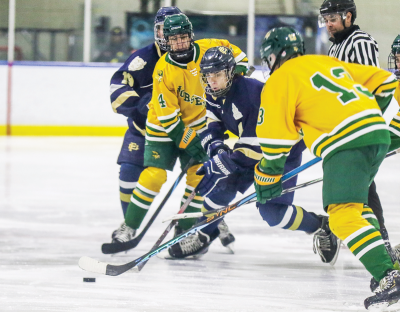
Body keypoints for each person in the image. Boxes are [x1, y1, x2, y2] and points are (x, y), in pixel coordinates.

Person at [255, 26, 399, 310]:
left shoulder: (280, 79)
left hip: (344, 141)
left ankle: (389, 275)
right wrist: (380, 121)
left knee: (342, 215)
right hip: (375, 134)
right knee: (357, 208)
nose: (269, 65)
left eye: (269, 59)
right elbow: (385, 82)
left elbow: (274, 141)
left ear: (277, 56)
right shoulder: (325, 61)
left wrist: (266, 178)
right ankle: (390, 263)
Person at [165, 46, 340, 260]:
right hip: (253, 150)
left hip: (280, 151)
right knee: (221, 189)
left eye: (217, 74)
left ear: (230, 73)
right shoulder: (213, 92)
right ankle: (203, 236)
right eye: (208, 76)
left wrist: (223, 163)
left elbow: (259, 144)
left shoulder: (250, 94)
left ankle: (322, 224)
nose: (212, 81)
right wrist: (217, 150)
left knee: (274, 213)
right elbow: (211, 123)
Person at [111, 13, 249, 247]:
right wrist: (190, 142)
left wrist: (235, 79)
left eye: (183, 38)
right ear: (166, 40)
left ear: (191, 36)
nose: (179, 44)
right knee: (154, 176)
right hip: (163, 126)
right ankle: (129, 226)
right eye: (174, 39)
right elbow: (168, 117)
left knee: (199, 177)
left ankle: (184, 233)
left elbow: (241, 58)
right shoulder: (163, 69)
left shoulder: (210, 48)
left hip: (199, 124)